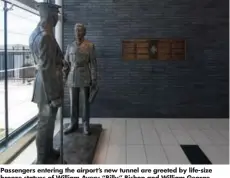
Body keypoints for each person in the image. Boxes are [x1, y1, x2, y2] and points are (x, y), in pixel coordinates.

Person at [29, 2, 64, 164]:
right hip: (47, 86)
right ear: (50, 16)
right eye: (55, 16)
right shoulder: (46, 37)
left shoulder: (34, 34)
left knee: (48, 124)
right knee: (44, 125)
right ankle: (42, 160)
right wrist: (54, 95)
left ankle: (49, 152)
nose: (57, 19)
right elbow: (47, 69)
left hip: (40, 84)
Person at [63, 23, 97, 136]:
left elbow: (93, 64)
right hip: (72, 77)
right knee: (73, 103)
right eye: (76, 30)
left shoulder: (90, 46)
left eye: (80, 30)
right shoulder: (70, 46)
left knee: (85, 103)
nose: (78, 32)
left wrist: (94, 78)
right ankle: (73, 124)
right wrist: (64, 77)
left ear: (84, 32)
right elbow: (66, 64)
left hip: (85, 76)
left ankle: (85, 124)